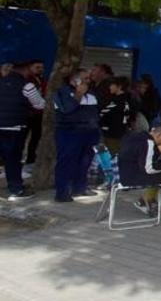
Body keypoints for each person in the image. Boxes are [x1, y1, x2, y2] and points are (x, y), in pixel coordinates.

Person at [52, 71, 102, 202]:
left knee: (84, 162)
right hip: (69, 132)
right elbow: (67, 109)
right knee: (66, 162)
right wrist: (78, 94)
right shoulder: (61, 93)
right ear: (74, 81)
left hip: (89, 133)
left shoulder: (91, 94)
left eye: (88, 78)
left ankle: (79, 187)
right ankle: (62, 192)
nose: (88, 81)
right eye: (84, 78)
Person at [0, 62, 43, 200]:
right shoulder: (27, 85)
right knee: (12, 159)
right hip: (15, 127)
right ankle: (16, 189)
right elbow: (39, 104)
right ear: (26, 70)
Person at [99, 77, 136, 155]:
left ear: (119, 87)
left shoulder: (116, 102)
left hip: (111, 134)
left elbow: (102, 114)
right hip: (123, 133)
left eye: (112, 85)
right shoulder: (130, 100)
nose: (110, 87)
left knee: (106, 158)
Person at [22, 61, 46, 169]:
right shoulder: (27, 81)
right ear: (30, 68)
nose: (40, 69)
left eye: (41, 67)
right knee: (22, 137)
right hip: (28, 113)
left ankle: (31, 158)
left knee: (36, 137)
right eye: (37, 67)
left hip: (39, 113)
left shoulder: (42, 80)